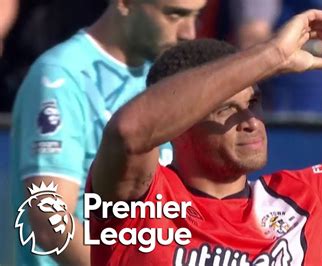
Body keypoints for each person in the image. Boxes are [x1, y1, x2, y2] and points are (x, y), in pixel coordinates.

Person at [87, 3, 322, 265]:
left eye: (253, 102)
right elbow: (130, 132)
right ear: (179, 125)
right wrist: (270, 54)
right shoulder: (139, 204)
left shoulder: (306, 201)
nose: (251, 120)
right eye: (225, 109)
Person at [10, 0, 206, 265]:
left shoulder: (167, 77)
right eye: (174, 14)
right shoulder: (60, 76)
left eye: (196, 16)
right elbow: (50, 223)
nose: (189, 33)